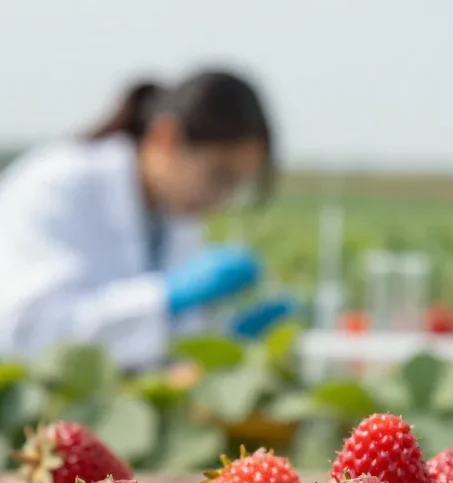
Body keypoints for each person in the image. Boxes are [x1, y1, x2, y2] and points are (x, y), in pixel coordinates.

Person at [0, 68, 297, 370]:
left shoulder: (174, 216)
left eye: (236, 186)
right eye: (219, 176)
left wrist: (220, 336)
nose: (221, 200)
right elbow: (25, 331)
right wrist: (164, 297)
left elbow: (152, 346)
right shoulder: (57, 184)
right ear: (166, 137)